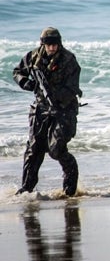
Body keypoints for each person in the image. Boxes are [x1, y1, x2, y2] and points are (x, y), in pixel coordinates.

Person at [13, 27, 82, 196]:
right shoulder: (33, 57)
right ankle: (26, 190)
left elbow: (72, 88)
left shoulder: (68, 59)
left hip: (64, 108)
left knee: (56, 148)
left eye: (55, 44)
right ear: (43, 44)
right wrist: (27, 83)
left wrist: (54, 95)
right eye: (48, 44)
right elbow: (17, 72)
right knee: (34, 149)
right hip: (41, 108)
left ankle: (70, 190)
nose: (52, 48)